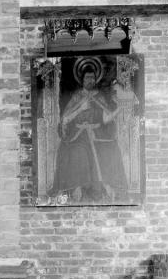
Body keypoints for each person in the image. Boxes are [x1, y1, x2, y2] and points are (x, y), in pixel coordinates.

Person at [51, 70, 126, 203]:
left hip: (97, 134)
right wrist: (81, 108)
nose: (90, 80)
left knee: (110, 150)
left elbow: (106, 119)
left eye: (92, 77)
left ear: (95, 80)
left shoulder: (100, 96)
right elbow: (66, 119)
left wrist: (120, 108)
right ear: (83, 80)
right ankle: (77, 189)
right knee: (77, 152)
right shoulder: (77, 96)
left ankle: (106, 187)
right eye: (87, 77)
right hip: (78, 135)